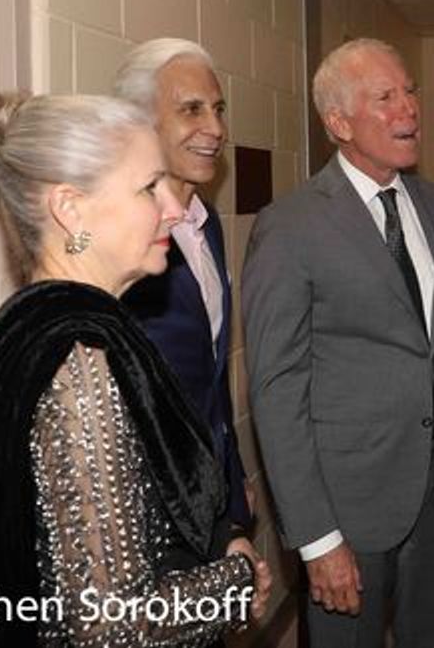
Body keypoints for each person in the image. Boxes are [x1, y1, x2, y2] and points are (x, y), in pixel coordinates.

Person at [0, 92, 271, 647]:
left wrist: (212, 545)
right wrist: (237, 580)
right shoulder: (79, 362)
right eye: (149, 187)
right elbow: (113, 624)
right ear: (71, 209)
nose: (176, 209)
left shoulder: (34, 327)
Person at [243, 38, 434, 647]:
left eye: (410, 92)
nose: (409, 108)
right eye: (386, 97)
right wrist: (316, 537)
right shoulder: (290, 226)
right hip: (345, 508)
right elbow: (276, 389)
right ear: (338, 122)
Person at [115, 39, 255, 544]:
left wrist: (233, 489)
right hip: (146, 516)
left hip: (208, 498)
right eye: (191, 110)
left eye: (217, 110)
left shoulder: (206, 224)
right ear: (140, 123)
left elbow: (212, 379)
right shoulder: (119, 236)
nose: (215, 129)